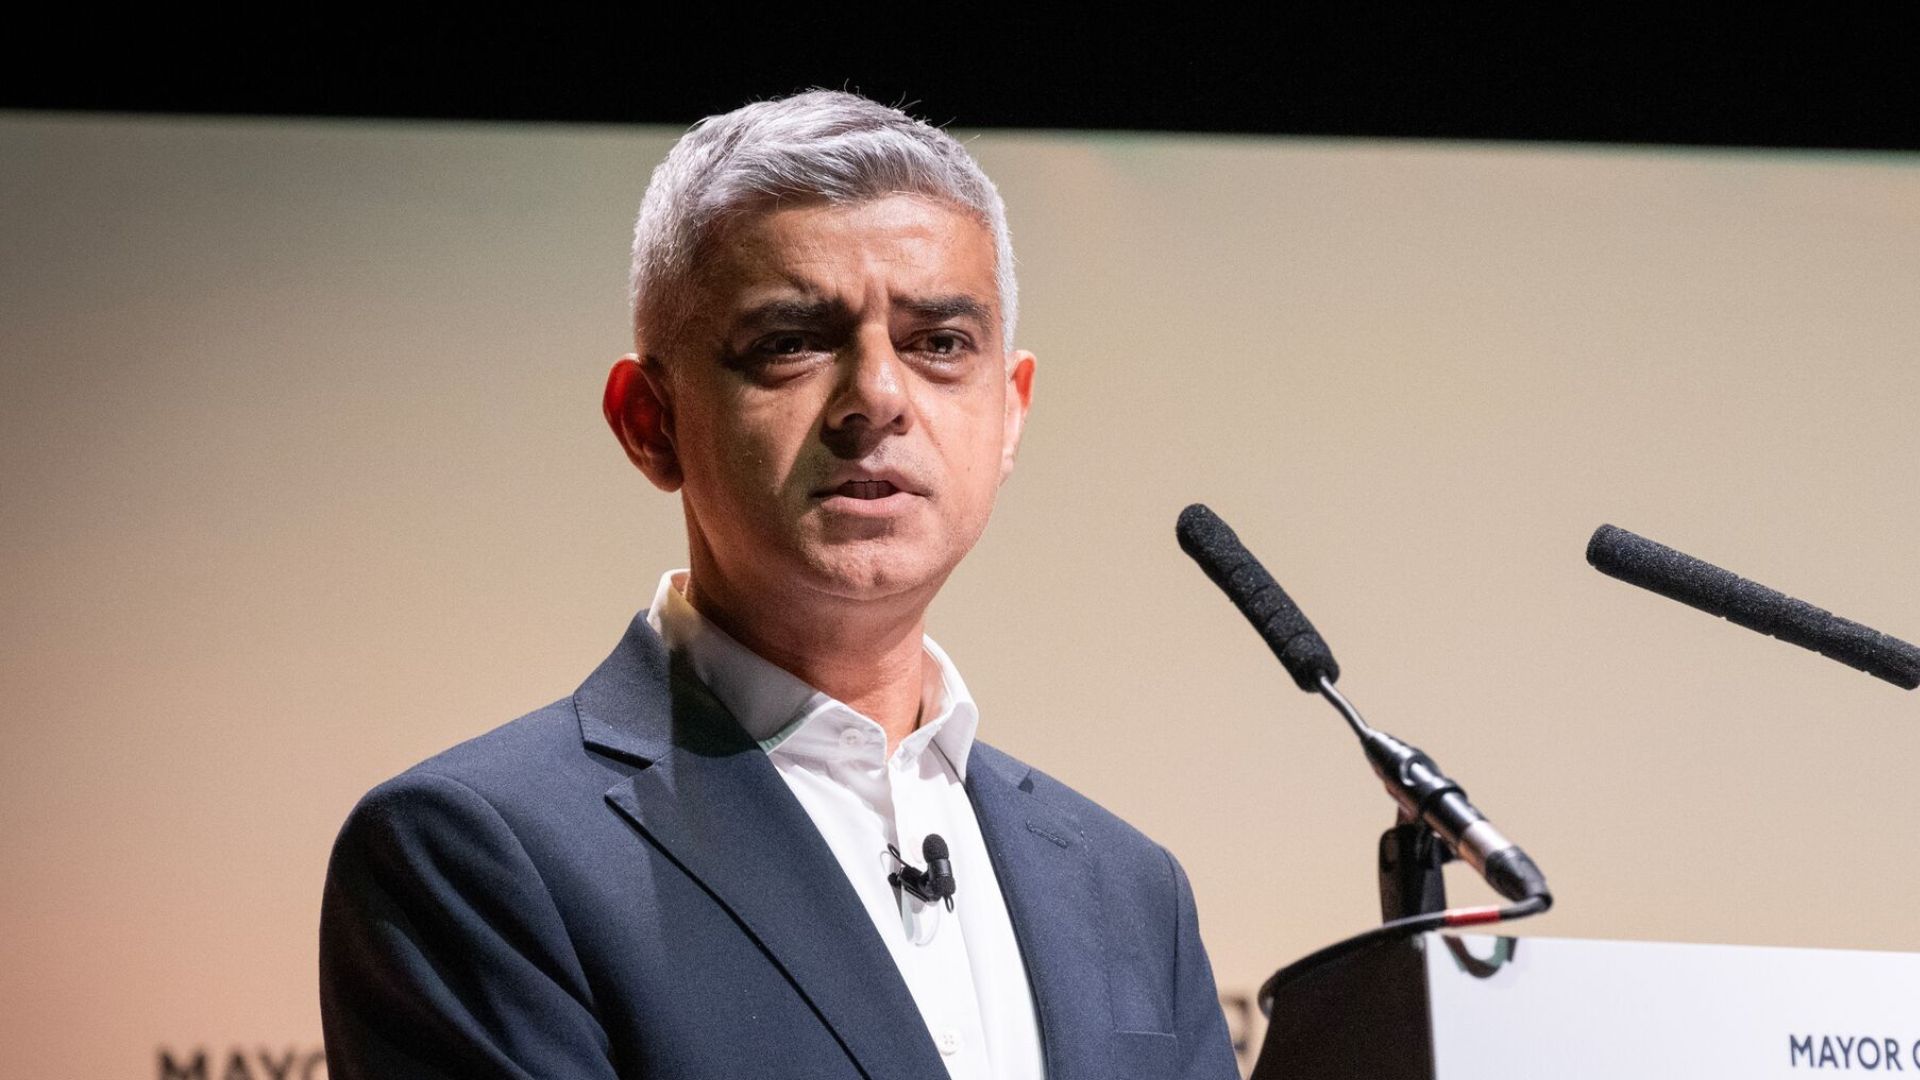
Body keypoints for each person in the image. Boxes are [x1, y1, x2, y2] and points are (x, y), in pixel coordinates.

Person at [318, 89, 1239, 1080]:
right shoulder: (476, 855)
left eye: (938, 344)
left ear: (1009, 413)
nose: (878, 398)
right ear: (650, 423)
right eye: (793, 341)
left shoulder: (1128, 889)